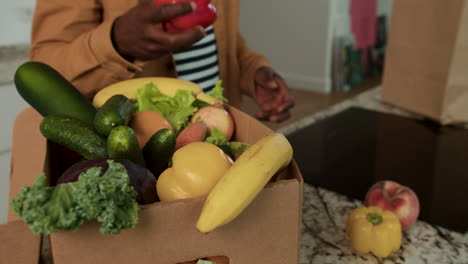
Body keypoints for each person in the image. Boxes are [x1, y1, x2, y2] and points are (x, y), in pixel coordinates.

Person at [29, 0, 294, 122]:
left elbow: (225, 40)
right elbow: (41, 72)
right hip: (138, 163)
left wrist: (254, 71)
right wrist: (115, 43)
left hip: (221, 139)